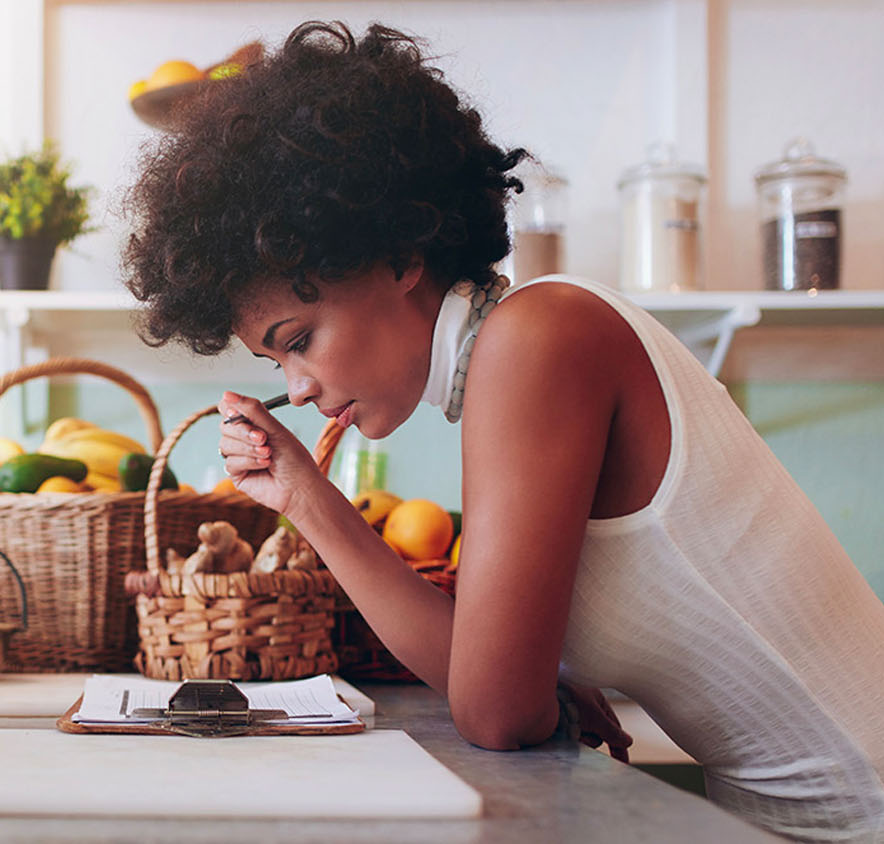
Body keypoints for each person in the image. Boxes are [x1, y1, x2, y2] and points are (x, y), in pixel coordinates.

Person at [121, 20, 884, 843]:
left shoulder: (539, 339)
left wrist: (523, 685)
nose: (299, 390)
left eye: (299, 341)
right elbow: (497, 681)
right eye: (277, 365)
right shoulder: (511, 354)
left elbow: (493, 710)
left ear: (400, 257)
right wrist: (305, 497)